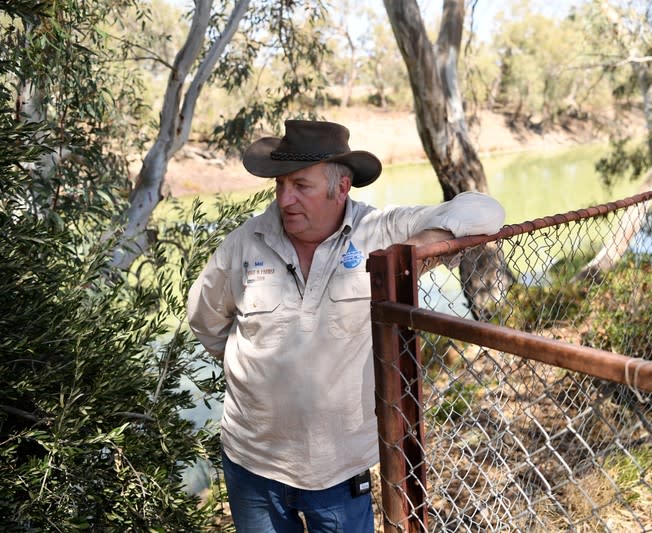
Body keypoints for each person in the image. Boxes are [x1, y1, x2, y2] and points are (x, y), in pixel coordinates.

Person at [187, 120, 505, 532]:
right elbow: (206, 321)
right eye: (280, 185)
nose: (285, 199)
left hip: (338, 469)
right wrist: (262, 375)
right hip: (252, 463)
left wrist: (406, 256)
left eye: (301, 186)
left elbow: (485, 211)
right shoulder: (244, 244)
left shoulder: (379, 230)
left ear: (342, 188)